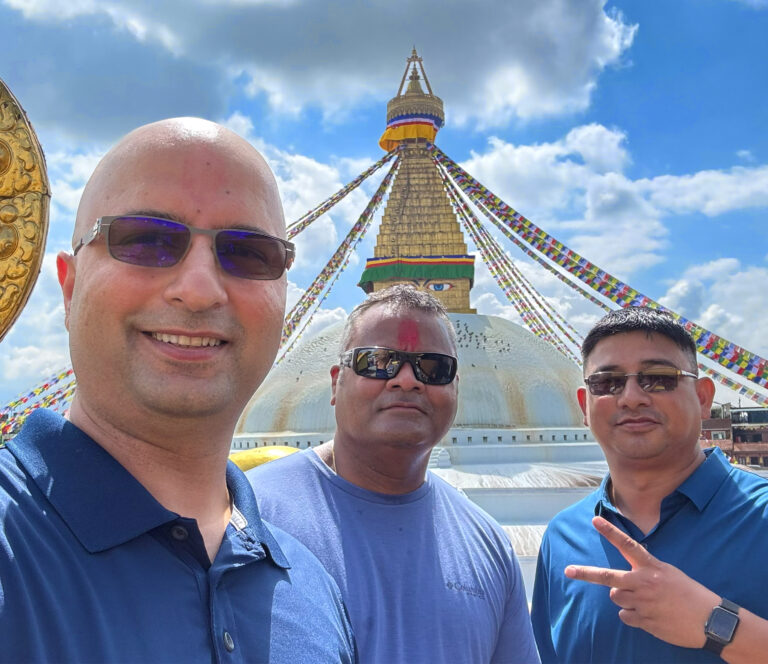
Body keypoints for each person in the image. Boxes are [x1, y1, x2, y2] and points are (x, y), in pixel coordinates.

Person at [0, 118, 356, 663]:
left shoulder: (312, 592)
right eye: (146, 240)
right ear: (69, 288)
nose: (199, 289)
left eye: (248, 253)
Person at [248, 285, 540, 664]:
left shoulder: (488, 544)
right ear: (337, 381)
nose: (406, 379)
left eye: (434, 368)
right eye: (377, 361)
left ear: (455, 387)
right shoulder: (247, 517)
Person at [531, 306, 768, 663]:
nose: (631, 397)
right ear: (585, 404)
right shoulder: (563, 537)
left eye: (658, 377)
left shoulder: (761, 515)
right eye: (607, 382)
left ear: (703, 398)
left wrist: (716, 624)